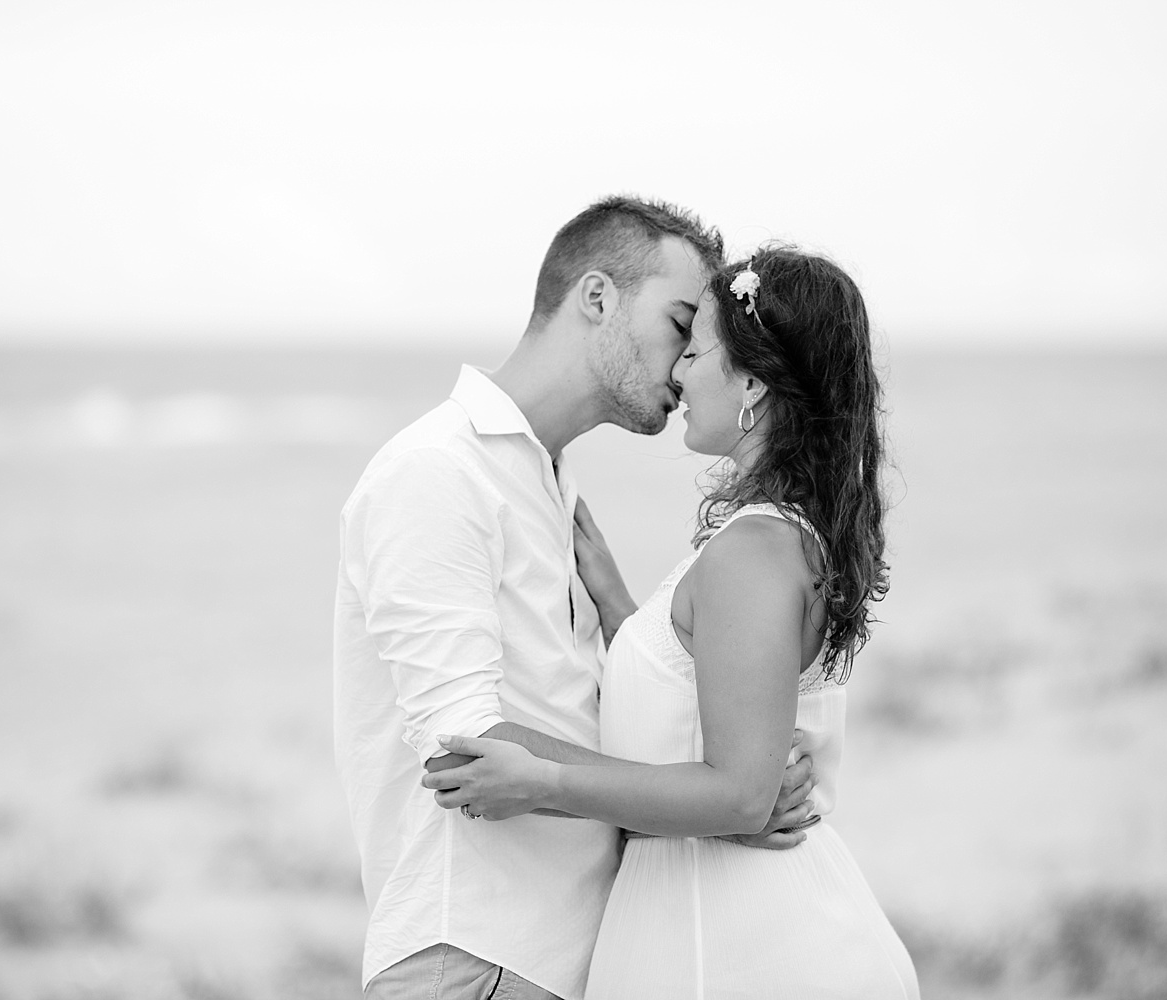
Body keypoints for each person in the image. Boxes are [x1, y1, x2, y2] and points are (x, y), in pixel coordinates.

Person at [333, 197, 819, 1000]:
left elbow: (579, 720)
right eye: (679, 324)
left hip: (566, 960)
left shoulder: (550, 485)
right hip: (476, 952)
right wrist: (721, 802)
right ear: (597, 298)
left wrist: (736, 777)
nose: (685, 363)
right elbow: (465, 744)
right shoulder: (437, 471)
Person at [422, 246, 921, 998]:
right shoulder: (770, 539)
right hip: (710, 932)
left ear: (752, 380)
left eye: (696, 348)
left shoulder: (755, 551)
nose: (678, 373)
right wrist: (624, 612)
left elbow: (742, 795)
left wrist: (542, 782)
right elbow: (700, 703)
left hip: (746, 951)